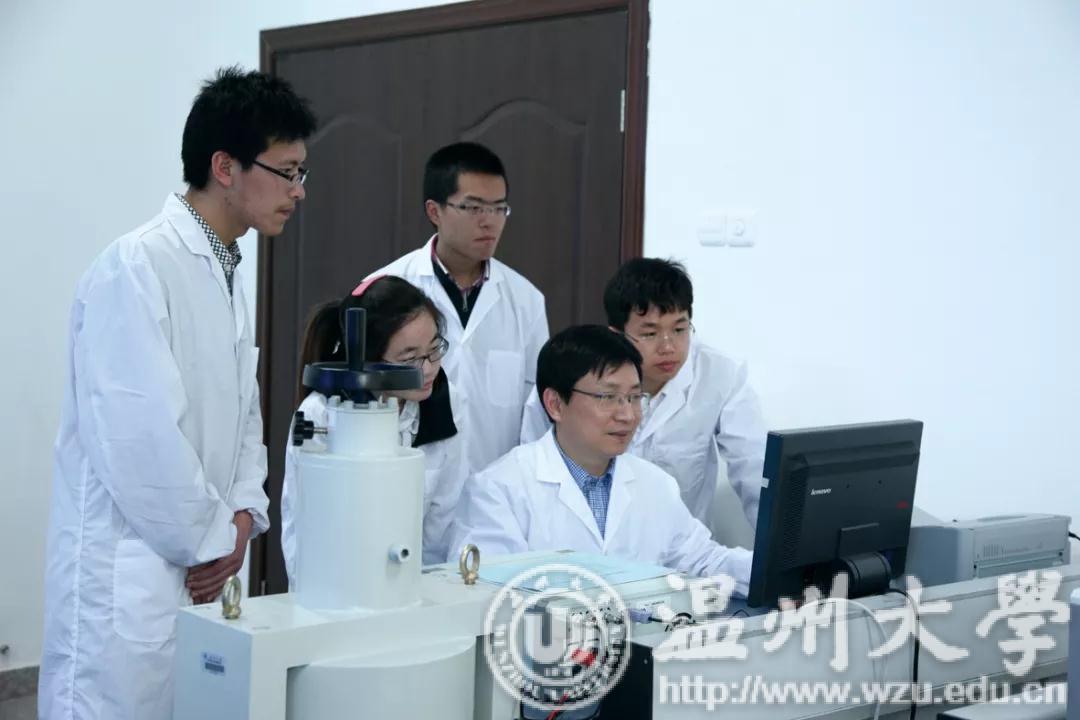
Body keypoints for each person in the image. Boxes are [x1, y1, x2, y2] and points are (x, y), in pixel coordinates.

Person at [39, 67, 316, 720]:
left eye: (301, 173)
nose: (298, 191)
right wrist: (214, 539)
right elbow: (140, 440)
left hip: (203, 563)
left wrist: (243, 517)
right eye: (286, 172)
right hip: (135, 577)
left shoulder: (227, 268)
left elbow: (245, 420)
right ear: (224, 166)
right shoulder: (135, 266)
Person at [449, 325, 753, 595]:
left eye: (634, 397)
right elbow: (487, 594)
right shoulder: (498, 489)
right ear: (555, 404)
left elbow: (705, 561)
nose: (627, 415)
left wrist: (774, 570)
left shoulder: (656, 484)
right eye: (608, 397)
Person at [521, 258, 767, 527]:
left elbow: (757, 472)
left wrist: (781, 544)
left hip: (678, 545)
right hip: (582, 537)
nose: (668, 347)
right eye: (650, 334)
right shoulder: (571, 376)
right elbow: (534, 467)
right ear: (617, 334)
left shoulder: (720, 375)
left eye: (679, 329)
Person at [371, 142, 548, 474]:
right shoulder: (385, 288)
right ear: (434, 211)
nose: (489, 222)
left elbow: (536, 411)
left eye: (499, 208)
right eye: (473, 207)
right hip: (406, 484)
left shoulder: (526, 300)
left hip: (497, 491)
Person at [281, 275, 468, 573]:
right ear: (368, 359)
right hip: (336, 579)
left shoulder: (445, 402)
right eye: (409, 358)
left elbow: (442, 522)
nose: (429, 369)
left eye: (434, 349)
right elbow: (307, 530)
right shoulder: (322, 413)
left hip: (416, 579)